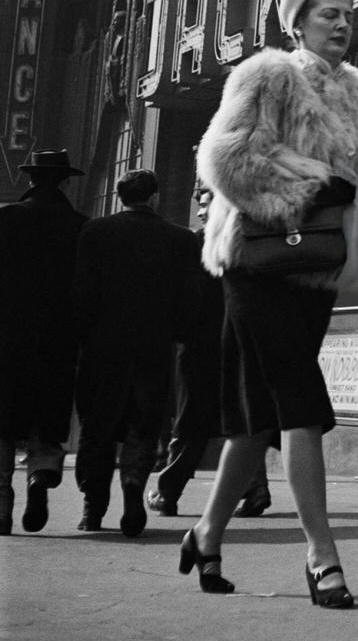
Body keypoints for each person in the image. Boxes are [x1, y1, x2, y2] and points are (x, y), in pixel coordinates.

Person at [182, 0, 358, 607]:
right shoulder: (267, 75)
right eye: (328, 13)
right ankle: (321, 556)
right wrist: (307, 182)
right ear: (297, 20)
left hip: (316, 272)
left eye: (349, 16)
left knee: (255, 419)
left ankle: (206, 533)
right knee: (301, 399)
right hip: (256, 265)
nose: (341, 24)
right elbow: (225, 156)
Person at [72, 169, 201, 536]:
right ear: (155, 197)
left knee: (96, 427)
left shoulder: (96, 232)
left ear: (119, 196)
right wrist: (175, 334)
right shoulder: (179, 239)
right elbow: (190, 299)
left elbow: (83, 292)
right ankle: (132, 479)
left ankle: (92, 508)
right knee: (143, 423)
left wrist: (82, 336)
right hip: (153, 347)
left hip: (102, 347)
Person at [147, 182, 271, 520]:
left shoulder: (198, 243)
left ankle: (168, 490)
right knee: (242, 420)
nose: (201, 211)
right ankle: (255, 487)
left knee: (190, 423)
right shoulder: (249, 244)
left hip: (200, 345)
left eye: (205, 204)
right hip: (240, 345)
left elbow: (184, 297)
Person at [0, 148, 88, 535]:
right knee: (46, 419)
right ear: (65, 181)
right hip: (57, 341)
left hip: (6, 339)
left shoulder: (6, 218)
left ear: (31, 179)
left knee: (2, 424)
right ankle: (40, 476)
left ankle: (1, 506)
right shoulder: (81, 227)